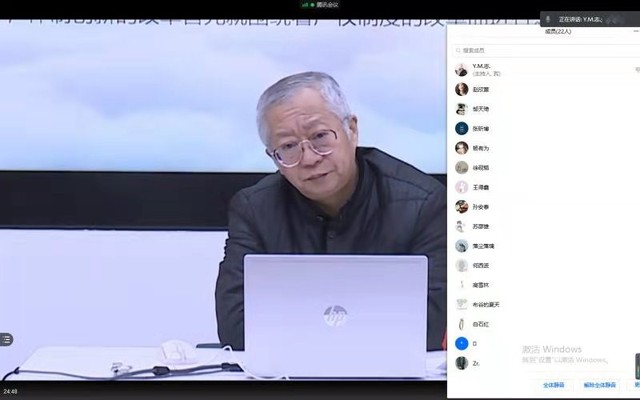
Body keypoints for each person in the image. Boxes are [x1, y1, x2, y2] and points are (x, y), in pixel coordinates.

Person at [215, 71, 447, 352]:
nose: (310, 158)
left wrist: (304, 334)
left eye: (320, 136)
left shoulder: (423, 204)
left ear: (352, 130)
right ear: (273, 157)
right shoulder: (254, 209)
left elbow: (434, 324)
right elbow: (235, 327)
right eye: (288, 147)